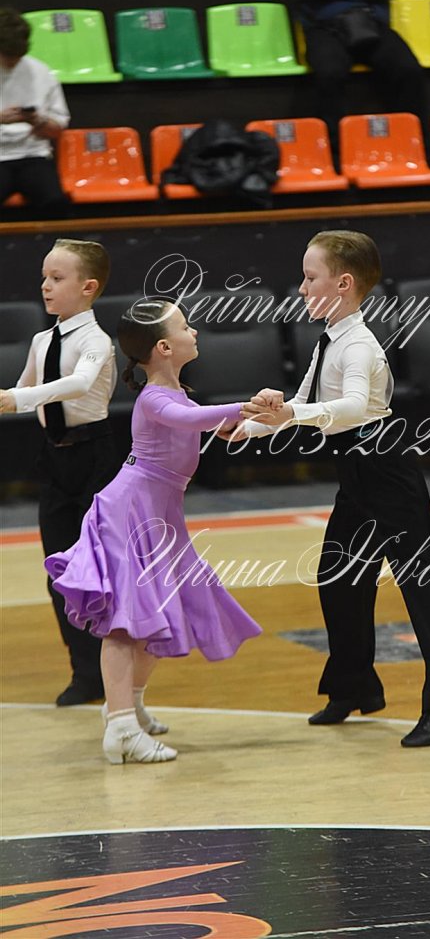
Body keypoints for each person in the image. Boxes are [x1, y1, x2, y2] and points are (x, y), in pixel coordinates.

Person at [236, 230, 430, 747]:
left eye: (310, 277)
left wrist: (289, 413)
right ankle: (353, 687)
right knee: (339, 579)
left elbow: (348, 408)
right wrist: (247, 427)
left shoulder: (360, 345)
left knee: (421, 588)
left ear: (342, 284)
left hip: (387, 470)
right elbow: (302, 404)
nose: (302, 288)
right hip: (356, 473)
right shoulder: (329, 339)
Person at [43, 300, 264, 764]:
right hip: (131, 514)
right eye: (185, 326)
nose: (194, 331)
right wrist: (242, 405)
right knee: (125, 624)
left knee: (159, 616)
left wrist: (251, 420)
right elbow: (189, 421)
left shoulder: (178, 393)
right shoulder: (154, 398)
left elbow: (206, 425)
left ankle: (127, 706)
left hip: (160, 518)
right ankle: (121, 730)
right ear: (164, 347)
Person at [0, 239, 117, 707]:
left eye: (57, 278)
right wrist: (10, 397)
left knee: (99, 571)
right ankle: (84, 672)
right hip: (54, 458)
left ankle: (114, 668)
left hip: (96, 460)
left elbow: (79, 384)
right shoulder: (41, 341)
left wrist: (17, 398)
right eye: (44, 277)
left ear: (88, 287)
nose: (45, 286)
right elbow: (23, 390)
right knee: (59, 571)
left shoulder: (96, 341)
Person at [292, 0, 430, 160]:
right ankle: (335, 151)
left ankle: (415, 143)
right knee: (329, 73)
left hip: (371, 23)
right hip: (325, 27)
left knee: (408, 69)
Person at [0, 6, 69, 214]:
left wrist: (37, 121)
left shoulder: (41, 71)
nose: (13, 62)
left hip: (33, 155)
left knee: (56, 203)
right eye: (7, 56)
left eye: (18, 56)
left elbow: (57, 130)